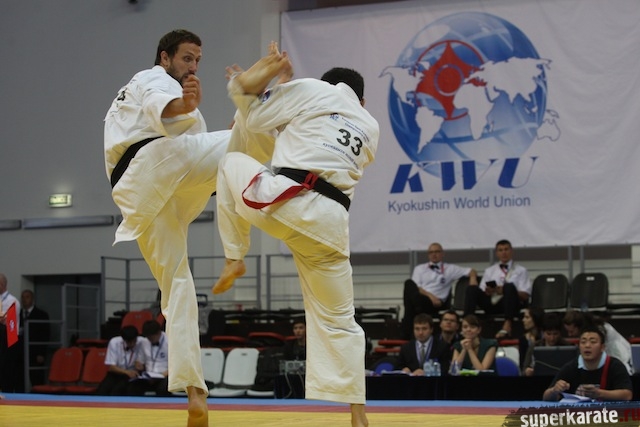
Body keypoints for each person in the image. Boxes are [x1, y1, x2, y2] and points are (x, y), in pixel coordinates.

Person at [103, 29, 275, 426]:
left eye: (197, 60)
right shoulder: (152, 79)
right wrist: (190, 104)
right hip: (153, 165)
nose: (193, 66)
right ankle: (235, 252)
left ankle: (194, 391)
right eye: (186, 58)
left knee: (177, 287)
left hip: (145, 198)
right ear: (165, 57)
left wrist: (225, 123)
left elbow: (204, 153)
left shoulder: (174, 101)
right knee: (250, 145)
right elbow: (166, 110)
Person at [212, 44, 379, 427]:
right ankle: (357, 413)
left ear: (327, 84)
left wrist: (266, 80)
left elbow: (257, 119)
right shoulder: (371, 126)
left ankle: (234, 256)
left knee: (230, 161)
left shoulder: (315, 90)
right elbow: (306, 136)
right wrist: (285, 85)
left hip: (288, 202)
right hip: (331, 229)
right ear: (362, 100)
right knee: (340, 320)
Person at [401, 242, 477, 339]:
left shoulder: (450, 269)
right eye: (431, 252)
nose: (434, 254)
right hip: (423, 298)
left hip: (436, 304)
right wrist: (431, 296)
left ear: (442, 254)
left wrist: (473, 280)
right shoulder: (419, 268)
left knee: (409, 308)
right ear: (428, 255)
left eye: (437, 251)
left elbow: (472, 271)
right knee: (408, 283)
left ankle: (406, 335)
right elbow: (417, 288)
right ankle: (411, 329)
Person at [542, 325, 632, 401]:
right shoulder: (571, 367)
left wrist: (599, 393)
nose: (587, 345)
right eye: (583, 342)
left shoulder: (615, 365)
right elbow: (545, 397)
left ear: (602, 347)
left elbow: (627, 395)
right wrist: (554, 390)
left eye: (593, 342)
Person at [463, 239, 531, 339]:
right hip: (492, 302)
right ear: (497, 253)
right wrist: (490, 291)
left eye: (506, 249)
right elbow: (482, 290)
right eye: (500, 250)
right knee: (471, 289)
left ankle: (508, 323)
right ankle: (467, 323)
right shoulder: (490, 270)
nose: (504, 252)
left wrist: (504, 291)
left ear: (511, 251)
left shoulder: (521, 270)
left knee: (509, 286)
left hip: (511, 303)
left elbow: (525, 295)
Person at [563, 310, 633, 375]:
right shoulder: (590, 330)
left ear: (579, 327)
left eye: (571, 331)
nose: (570, 335)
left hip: (622, 357)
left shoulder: (600, 330)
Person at [96, 325, 147, 396]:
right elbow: (111, 367)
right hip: (117, 372)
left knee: (118, 390)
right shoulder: (114, 342)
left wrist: (142, 366)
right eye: (129, 342)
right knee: (103, 390)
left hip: (134, 374)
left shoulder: (143, 342)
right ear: (123, 340)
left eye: (134, 341)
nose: (132, 344)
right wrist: (126, 372)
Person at [128, 320, 170, 396]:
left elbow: (178, 365)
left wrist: (163, 374)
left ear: (159, 333)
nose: (149, 340)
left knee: (163, 388)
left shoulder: (170, 341)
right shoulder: (144, 342)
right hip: (148, 376)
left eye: (151, 337)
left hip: (165, 375)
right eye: (148, 337)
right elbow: (140, 360)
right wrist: (138, 364)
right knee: (132, 387)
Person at [522, 312, 569, 376]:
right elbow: (524, 370)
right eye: (548, 334)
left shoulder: (568, 346)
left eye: (555, 334)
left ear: (560, 333)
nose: (552, 338)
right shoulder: (534, 346)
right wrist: (527, 372)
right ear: (543, 332)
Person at [20, 289, 50, 387]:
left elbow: (45, 335)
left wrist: (41, 353)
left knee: (37, 379)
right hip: (20, 352)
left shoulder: (41, 315)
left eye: (27, 297)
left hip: (35, 353)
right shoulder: (17, 314)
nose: (24, 300)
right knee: (20, 379)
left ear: (32, 299)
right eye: (23, 297)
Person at [0, 273, 22, 393]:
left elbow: (7, 320)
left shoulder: (12, 301)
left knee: (7, 370)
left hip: (9, 338)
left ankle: (7, 392)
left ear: (1, 284)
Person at [517, 306, 544, 371]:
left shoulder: (545, 337)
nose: (523, 320)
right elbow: (522, 364)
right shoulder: (523, 339)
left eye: (527, 317)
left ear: (535, 319)